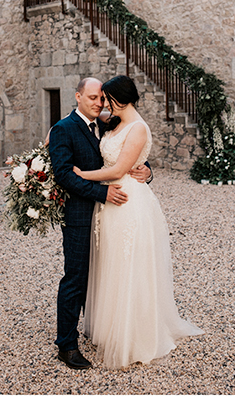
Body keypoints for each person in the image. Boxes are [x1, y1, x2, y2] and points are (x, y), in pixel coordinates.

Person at [73, 75, 204, 368]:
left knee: (128, 264)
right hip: (108, 201)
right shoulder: (113, 122)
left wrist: (80, 174)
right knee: (110, 264)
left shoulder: (139, 128)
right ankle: (109, 328)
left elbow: (119, 168)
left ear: (119, 98)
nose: (103, 104)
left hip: (128, 201)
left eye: (106, 98)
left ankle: (133, 334)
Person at [48, 77, 152, 370]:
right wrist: (103, 192)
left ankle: (105, 329)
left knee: (107, 276)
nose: (99, 104)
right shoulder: (63, 129)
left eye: (102, 99)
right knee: (76, 279)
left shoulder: (109, 124)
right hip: (82, 216)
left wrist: (146, 170)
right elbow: (65, 175)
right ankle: (66, 346)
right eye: (92, 98)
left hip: (113, 217)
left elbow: (124, 155)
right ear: (78, 96)